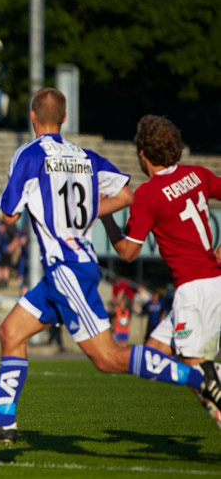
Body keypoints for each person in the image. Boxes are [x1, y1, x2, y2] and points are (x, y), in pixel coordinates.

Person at [0, 88, 221, 449]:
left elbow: (8, 213)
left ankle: (200, 378)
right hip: (64, 271)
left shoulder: (29, 155)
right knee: (10, 333)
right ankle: (4, 421)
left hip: (67, 268)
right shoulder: (84, 156)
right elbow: (126, 195)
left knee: (108, 358)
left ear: (33, 117)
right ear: (64, 118)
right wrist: (92, 212)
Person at [101, 114, 221, 426]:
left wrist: (106, 218)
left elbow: (128, 252)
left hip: (193, 288)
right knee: (155, 354)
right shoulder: (198, 174)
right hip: (211, 280)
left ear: (142, 154)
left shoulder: (148, 195)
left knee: (197, 368)